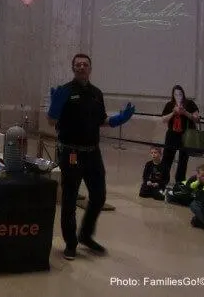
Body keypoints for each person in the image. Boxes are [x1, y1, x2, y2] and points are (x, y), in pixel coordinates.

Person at [47, 53, 135, 260]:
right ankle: (71, 242)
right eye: (77, 65)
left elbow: (101, 120)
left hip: (92, 153)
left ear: (90, 68)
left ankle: (86, 235)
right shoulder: (65, 91)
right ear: (73, 68)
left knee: (99, 197)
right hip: (71, 153)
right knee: (69, 199)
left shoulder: (97, 93)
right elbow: (52, 122)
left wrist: (118, 120)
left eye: (85, 64)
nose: (81, 67)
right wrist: (53, 110)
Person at [161, 85, 200, 185]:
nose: (178, 96)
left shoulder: (190, 103)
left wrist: (185, 112)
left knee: (183, 159)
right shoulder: (170, 104)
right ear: (173, 95)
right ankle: (164, 180)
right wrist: (173, 113)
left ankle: (179, 181)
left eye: (180, 94)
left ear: (183, 94)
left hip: (185, 134)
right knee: (167, 158)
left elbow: (197, 118)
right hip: (172, 134)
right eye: (176, 94)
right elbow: (163, 119)